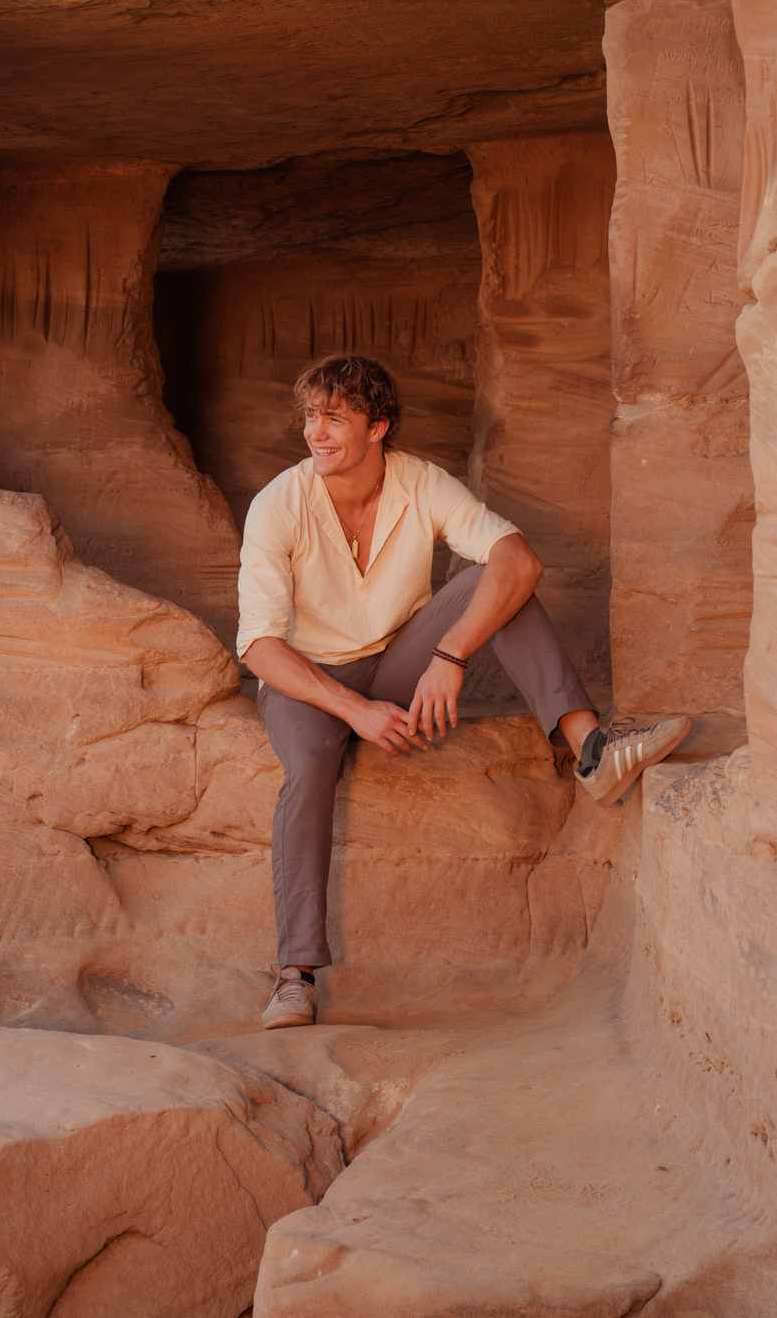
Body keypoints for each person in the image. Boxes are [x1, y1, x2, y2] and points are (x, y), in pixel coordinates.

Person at [237, 354, 692, 1031]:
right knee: (308, 766)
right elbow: (259, 647)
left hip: (394, 661)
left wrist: (448, 656)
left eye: (335, 416)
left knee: (499, 585)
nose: (316, 431)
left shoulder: (419, 483)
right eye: (310, 416)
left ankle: (592, 749)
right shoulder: (280, 502)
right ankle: (295, 975)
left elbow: (518, 561)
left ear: (378, 427)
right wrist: (355, 711)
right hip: (308, 683)